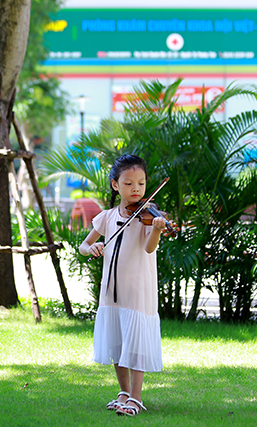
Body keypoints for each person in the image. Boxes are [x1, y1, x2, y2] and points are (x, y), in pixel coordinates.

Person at [79, 154, 166, 417]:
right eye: (129, 183)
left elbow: (149, 248)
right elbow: (83, 246)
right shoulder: (106, 217)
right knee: (117, 342)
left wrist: (158, 229)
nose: (136, 189)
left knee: (135, 343)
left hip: (138, 290)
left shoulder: (147, 217)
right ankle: (124, 392)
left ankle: (137, 397)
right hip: (112, 290)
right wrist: (91, 246)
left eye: (141, 183)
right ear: (116, 185)